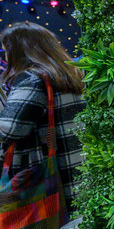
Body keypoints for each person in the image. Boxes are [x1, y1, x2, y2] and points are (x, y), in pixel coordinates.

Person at [0, 22, 86, 216]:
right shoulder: (71, 75)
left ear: (19, 51)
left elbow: (9, 129)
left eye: (6, 51)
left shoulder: (31, 78)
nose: (5, 58)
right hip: (76, 178)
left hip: (45, 184)